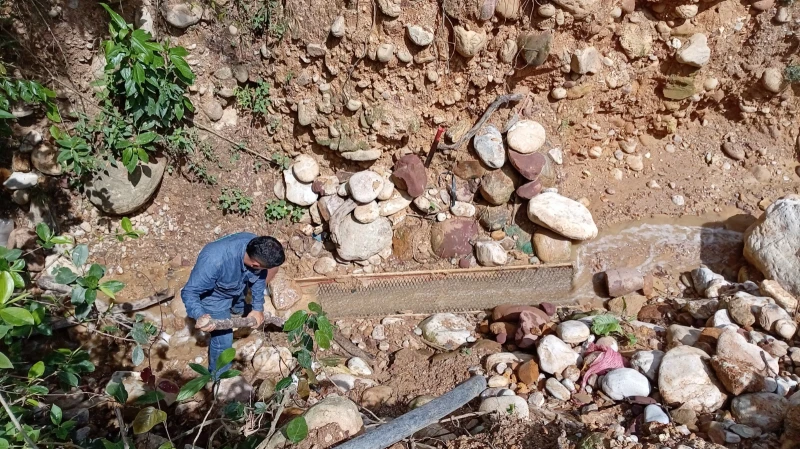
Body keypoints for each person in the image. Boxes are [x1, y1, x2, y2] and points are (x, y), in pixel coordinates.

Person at [181, 233, 285, 377]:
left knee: (244, 310)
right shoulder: (213, 260)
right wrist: (199, 315)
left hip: (237, 287)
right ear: (255, 264)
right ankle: (219, 378)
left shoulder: (258, 247)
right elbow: (189, 292)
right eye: (262, 268)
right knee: (223, 340)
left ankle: (239, 312)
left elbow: (259, 277)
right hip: (214, 297)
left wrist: (257, 308)